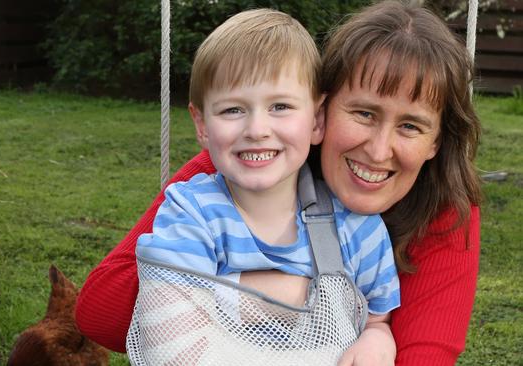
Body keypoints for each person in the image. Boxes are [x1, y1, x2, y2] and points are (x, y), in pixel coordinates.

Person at [75, 1, 482, 365]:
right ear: (323, 113)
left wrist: (377, 332)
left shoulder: (429, 216)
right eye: (363, 114)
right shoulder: (228, 180)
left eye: (410, 126)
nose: (378, 151)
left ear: (436, 142)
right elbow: (103, 313)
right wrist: (282, 295)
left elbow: (410, 346)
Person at [130, 8, 399, 364]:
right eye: (233, 111)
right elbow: (168, 341)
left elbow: (376, 317)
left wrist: (378, 337)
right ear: (202, 126)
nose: (257, 129)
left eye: (280, 106)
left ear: (317, 119)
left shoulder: (355, 227)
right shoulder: (190, 214)